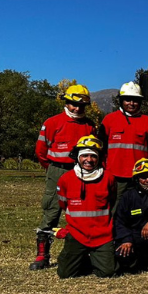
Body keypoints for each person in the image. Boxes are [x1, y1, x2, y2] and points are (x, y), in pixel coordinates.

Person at [30, 84, 96, 271]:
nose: (77, 109)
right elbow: (41, 151)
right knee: (52, 209)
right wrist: (53, 168)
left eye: (81, 106)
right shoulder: (52, 122)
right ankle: (42, 255)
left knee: (83, 210)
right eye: (73, 104)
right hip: (57, 170)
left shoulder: (90, 125)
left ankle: (83, 253)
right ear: (66, 103)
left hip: (81, 172)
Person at [53, 136, 117, 279]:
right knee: (65, 274)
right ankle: (78, 258)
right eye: (85, 155)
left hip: (103, 235)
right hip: (77, 234)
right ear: (78, 157)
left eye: (93, 156)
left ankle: (93, 259)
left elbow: (111, 201)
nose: (89, 159)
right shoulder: (66, 179)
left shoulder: (108, 178)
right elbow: (63, 204)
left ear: (99, 158)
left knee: (107, 272)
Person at [98, 82, 148, 206]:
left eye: (135, 100)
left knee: (140, 206)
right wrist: (103, 169)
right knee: (115, 206)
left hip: (140, 175)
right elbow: (100, 149)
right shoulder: (109, 120)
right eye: (128, 100)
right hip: (115, 175)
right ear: (121, 101)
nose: (131, 103)